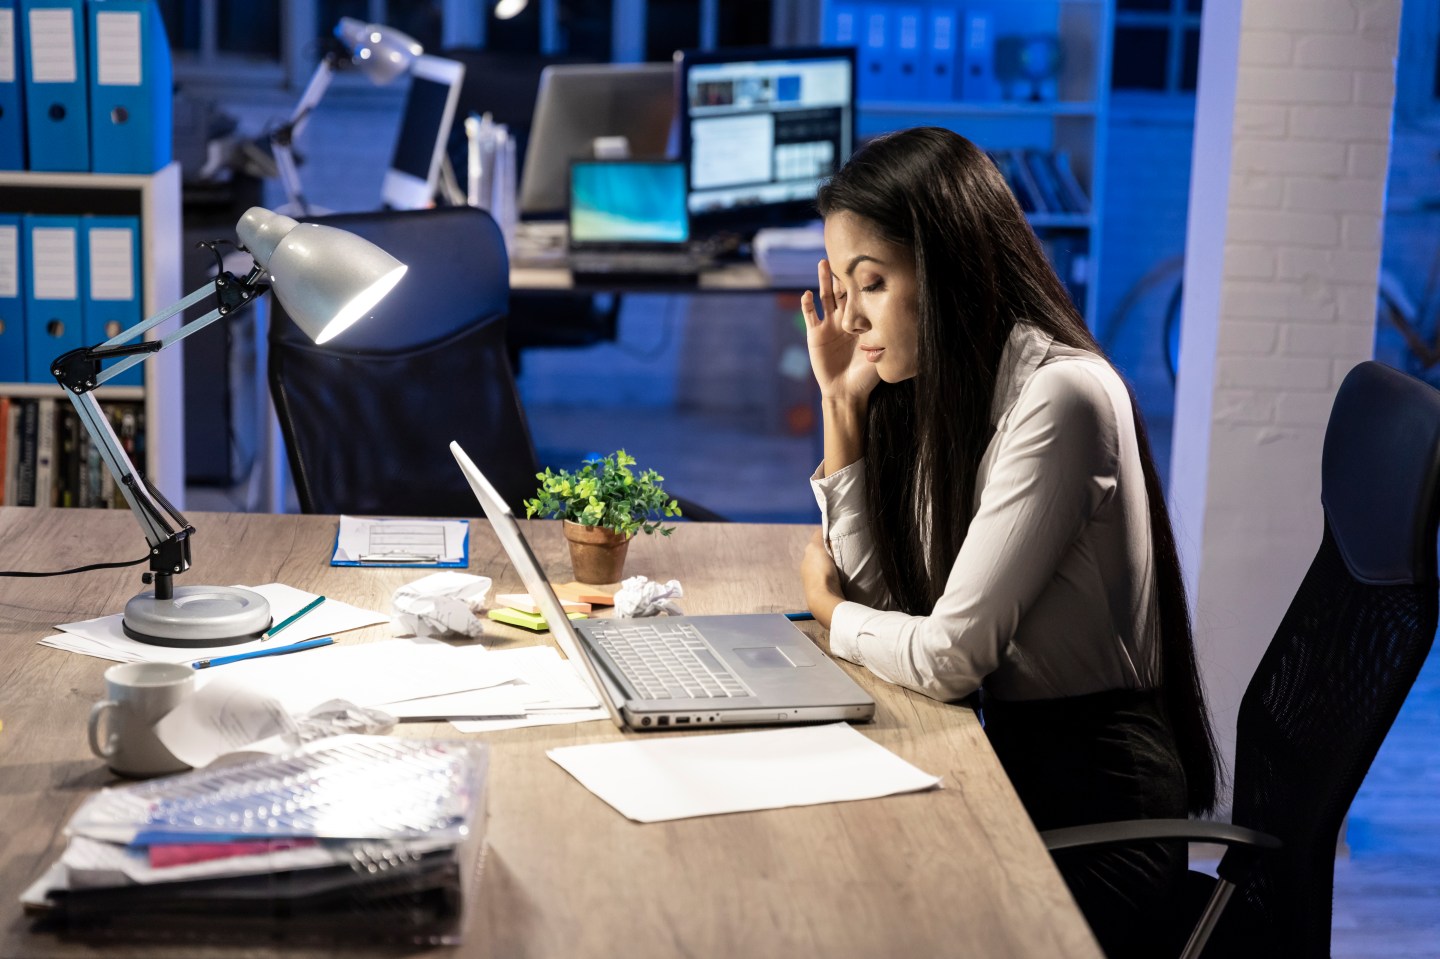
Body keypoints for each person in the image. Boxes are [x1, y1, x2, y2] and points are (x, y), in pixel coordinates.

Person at [799, 126, 1220, 958]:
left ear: (948, 269)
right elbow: (900, 606)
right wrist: (842, 409)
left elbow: (948, 654)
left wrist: (826, 609)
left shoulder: (1061, 398)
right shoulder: (951, 385)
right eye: (842, 288)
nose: (848, 317)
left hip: (1096, 811)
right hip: (1013, 765)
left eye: (871, 284)